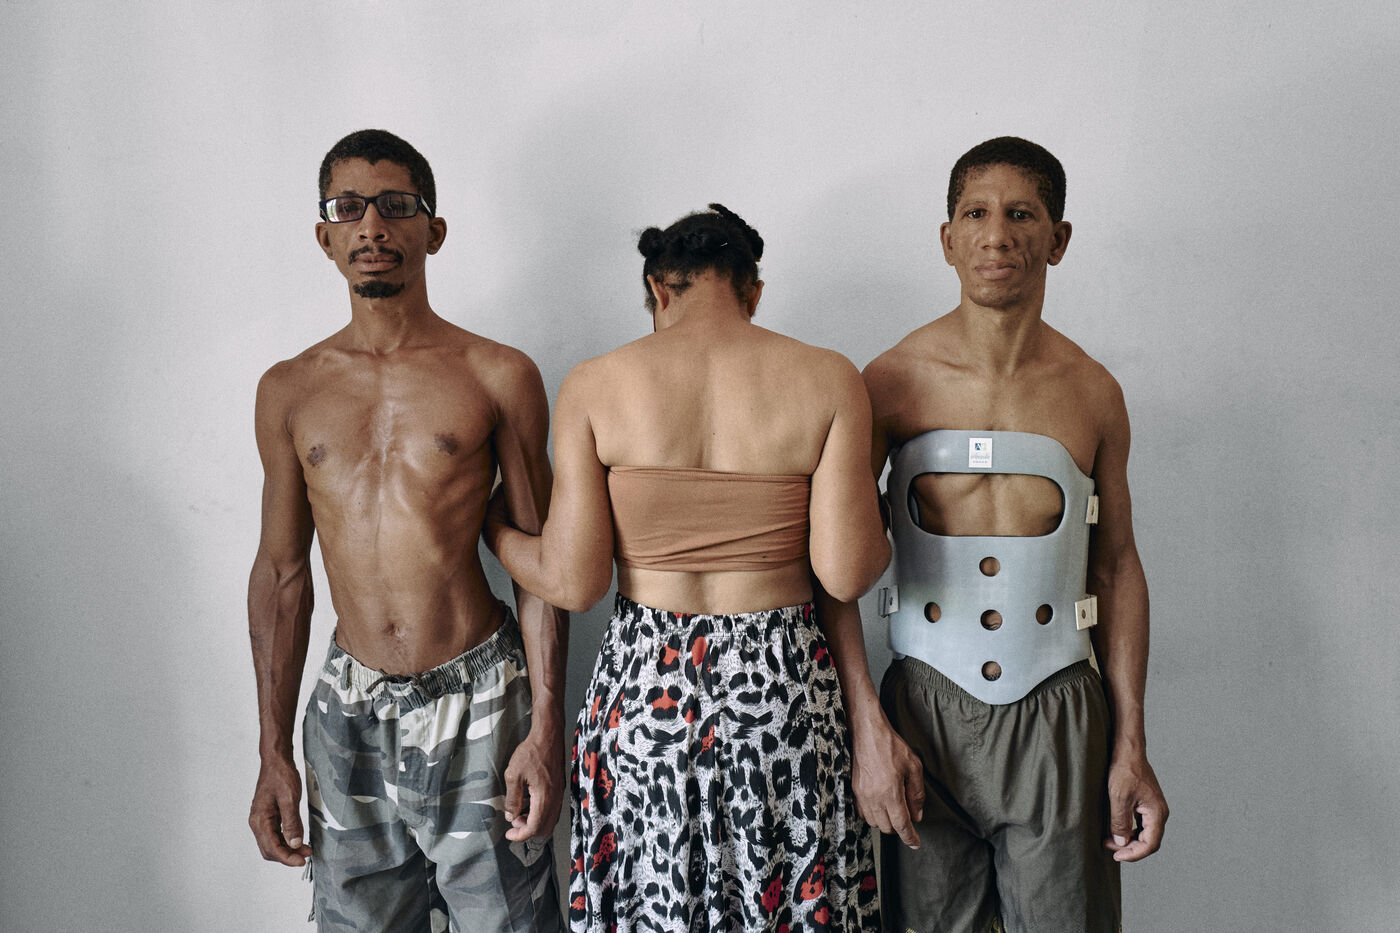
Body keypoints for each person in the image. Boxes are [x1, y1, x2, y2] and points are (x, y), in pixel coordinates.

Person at [484, 204, 900, 932]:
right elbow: (846, 573)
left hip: (647, 689)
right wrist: (882, 519)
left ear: (659, 289)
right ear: (753, 290)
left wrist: (495, 530)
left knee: (656, 899)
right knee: (784, 891)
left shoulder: (596, 383)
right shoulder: (827, 377)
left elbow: (575, 582)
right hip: (781, 690)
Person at [247, 129, 566, 932]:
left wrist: (546, 728)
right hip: (348, 709)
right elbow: (283, 575)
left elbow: (542, 566)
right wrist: (272, 749)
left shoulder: (497, 374)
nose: (372, 227)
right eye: (348, 208)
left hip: (482, 697)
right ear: (324, 236)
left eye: (396, 206)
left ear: (434, 229)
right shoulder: (289, 389)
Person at [858, 137, 1169, 932]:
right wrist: (866, 727)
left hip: (1058, 704)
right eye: (976, 213)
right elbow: (832, 569)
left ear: (1058, 239)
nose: (996, 235)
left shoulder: (1093, 392)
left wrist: (1131, 745)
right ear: (947, 238)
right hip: (922, 704)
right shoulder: (889, 382)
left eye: (1021, 214)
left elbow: (1117, 567)